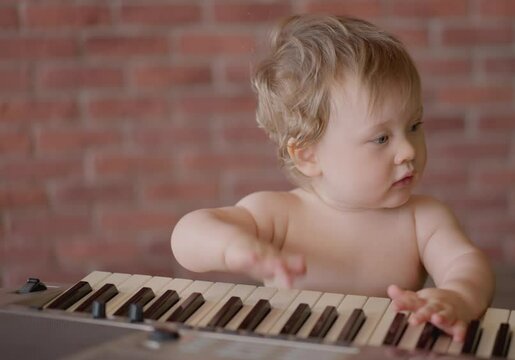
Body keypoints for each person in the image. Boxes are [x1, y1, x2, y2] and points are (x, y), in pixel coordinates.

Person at [171, 14, 494, 342]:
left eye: (414, 126)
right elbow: (187, 237)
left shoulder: (422, 219)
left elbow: (467, 263)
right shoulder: (278, 214)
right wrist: (232, 247)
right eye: (381, 138)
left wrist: (459, 296)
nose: (408, 151)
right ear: (309, 155)